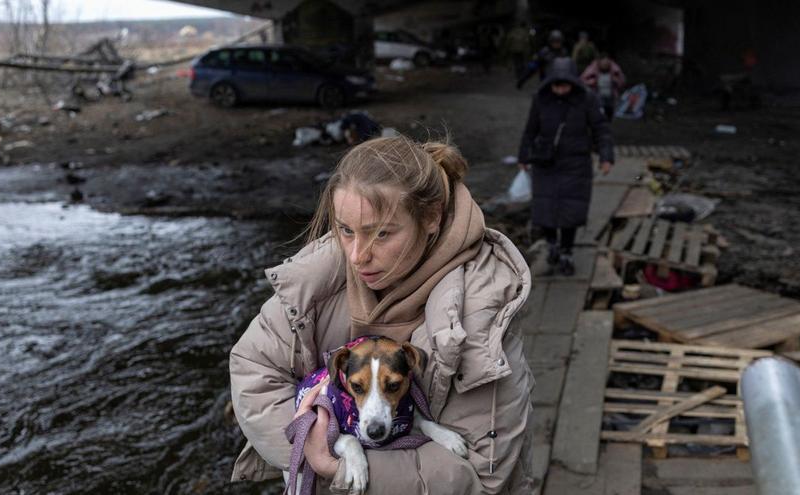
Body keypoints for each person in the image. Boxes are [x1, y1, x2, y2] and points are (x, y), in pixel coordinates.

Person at [229, 135, 535, 494]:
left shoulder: (479, 318)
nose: (357, 256)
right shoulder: (313, 282)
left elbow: (481, 477)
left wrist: (332, 466)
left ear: (431, 217)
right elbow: (253, 371)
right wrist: (305, 444)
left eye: (381, 233)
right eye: (346, 230)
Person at [517, 58, 614, 276]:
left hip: (576, 163)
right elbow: (530, 130)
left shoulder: (587, 99)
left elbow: (601, 129)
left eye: (565, 85)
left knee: (571, 210)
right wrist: (523, 155)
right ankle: (552, 245)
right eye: (556, 85)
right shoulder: (540, 99)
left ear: (573, 82)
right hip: (546, 162)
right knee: (545, 208)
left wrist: (606, 156)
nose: (560, 90)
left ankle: (567, 252)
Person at [581, 54, 626, 121]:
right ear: (599, 62)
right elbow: (583, 80)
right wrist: (593, 81)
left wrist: (615, 81)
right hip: (597, 94)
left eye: (607, 62)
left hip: (611, 95)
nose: (605, 64)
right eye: (603, 63)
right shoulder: (592, 69)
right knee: (598, 110)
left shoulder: (615, 69)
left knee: (609, 111)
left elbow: (622, 81)